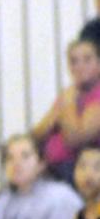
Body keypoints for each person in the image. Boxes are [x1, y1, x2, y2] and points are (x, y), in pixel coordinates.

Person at [32, 38, 100, 183]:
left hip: (77, 170)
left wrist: (66, 106)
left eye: (87, 59)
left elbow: (75, 139)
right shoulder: (71, 93)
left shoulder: (76, 96)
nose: (80, 66)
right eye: (74, 61)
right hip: (50, 166)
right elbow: (36, 134)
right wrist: (58, 116)